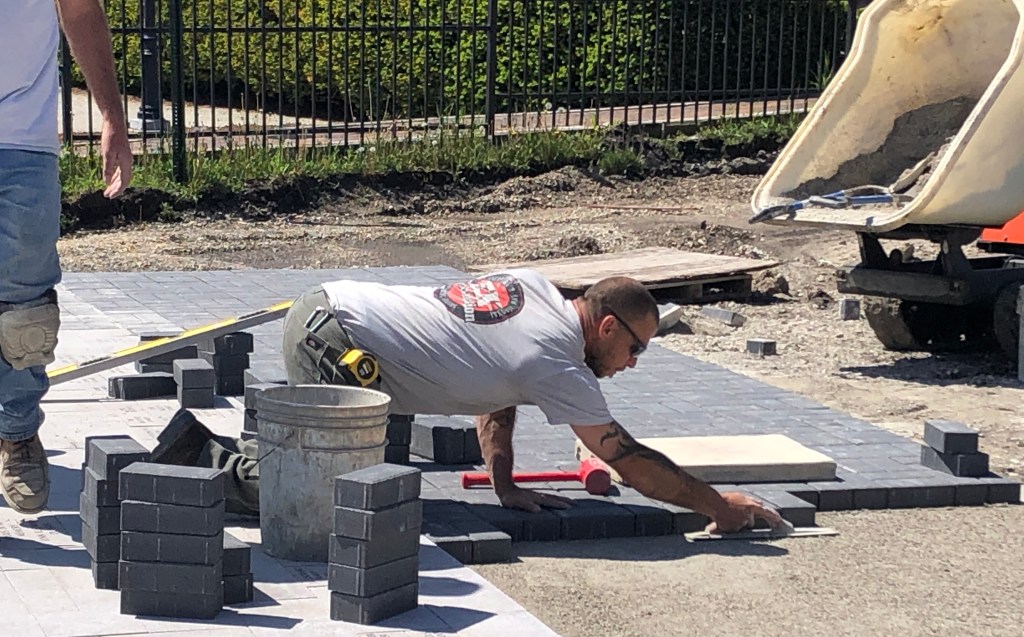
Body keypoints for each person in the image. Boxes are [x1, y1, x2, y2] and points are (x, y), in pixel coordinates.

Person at [155, 270, 784, 534]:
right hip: (339, 340)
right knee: (312, 499)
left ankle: (217, 453)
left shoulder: (539, 294)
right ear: (608, 326)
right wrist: (717, 505)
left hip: (334, 308)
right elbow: (628, 460)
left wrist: (503, 483)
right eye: (635, 348)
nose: (633, 363)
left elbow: (497, 387)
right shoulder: (559, 362)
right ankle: (180, 469)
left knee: (327, 471)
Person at [0, 1, 132, 513]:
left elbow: (79, 11)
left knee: (25, 301)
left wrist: (112, 116)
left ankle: (17, 434)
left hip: (22, 137)